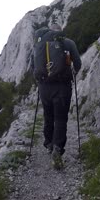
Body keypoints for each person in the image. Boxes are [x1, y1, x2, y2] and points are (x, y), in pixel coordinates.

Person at [34, 23, 82, 169]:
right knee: (61, 119)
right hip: (62, 87)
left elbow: (34, 67)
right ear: (61, 31)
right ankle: (57, 149)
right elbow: (78, 64)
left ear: (49, 30)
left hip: (44, 88)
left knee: (48, 116)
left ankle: (48, 143)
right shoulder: (68, 42)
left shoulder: (40, 44)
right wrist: (71, 72)